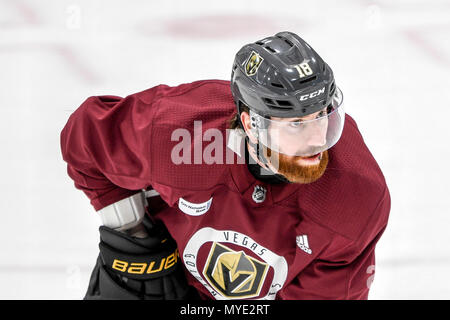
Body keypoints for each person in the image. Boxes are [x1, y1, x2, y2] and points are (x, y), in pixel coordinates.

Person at [60, 31, 390, 300]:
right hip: (167, 277)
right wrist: (132, 234)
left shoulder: (354, 197)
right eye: (296, 124)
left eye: (322, 116)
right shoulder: (181, 135)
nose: (318, 139)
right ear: (250, 123)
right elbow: (87, 138)